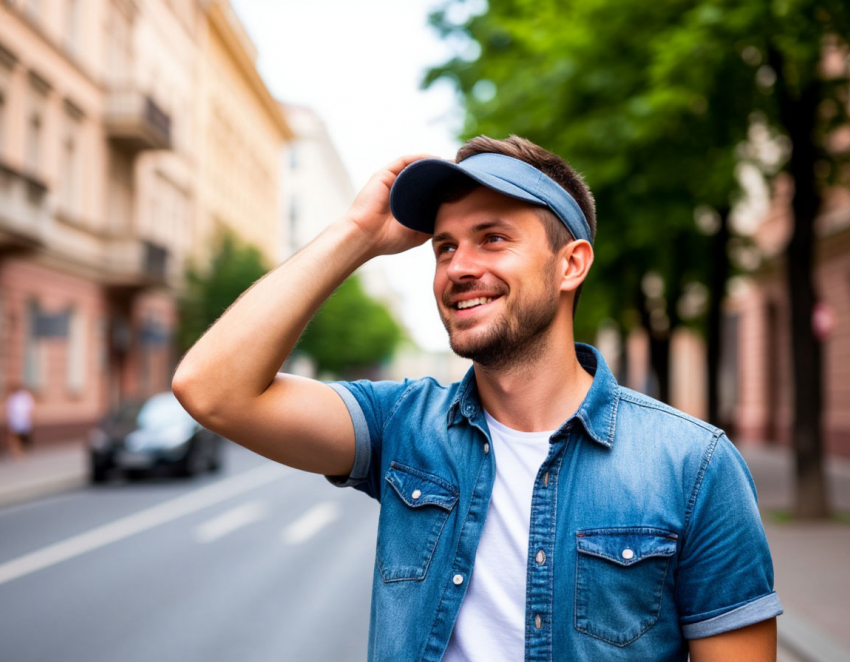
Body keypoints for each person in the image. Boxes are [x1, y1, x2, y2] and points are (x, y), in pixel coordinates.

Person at [172, 135, 782, 661]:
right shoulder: (402, 426)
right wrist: (356, 234)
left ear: (570, 265)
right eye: (444, 246)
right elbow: (211, 390)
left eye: (492, 238)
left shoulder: (694, 466)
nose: (458, 267)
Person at [5, 382, 35, 458]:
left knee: (22, 437)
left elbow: (30, 408)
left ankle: (20, 451)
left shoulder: (25, 397)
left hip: (23, 421)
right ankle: (16, 451)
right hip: (15, 420)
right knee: (14, 436)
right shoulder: (13, 397)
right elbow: (9, 410)